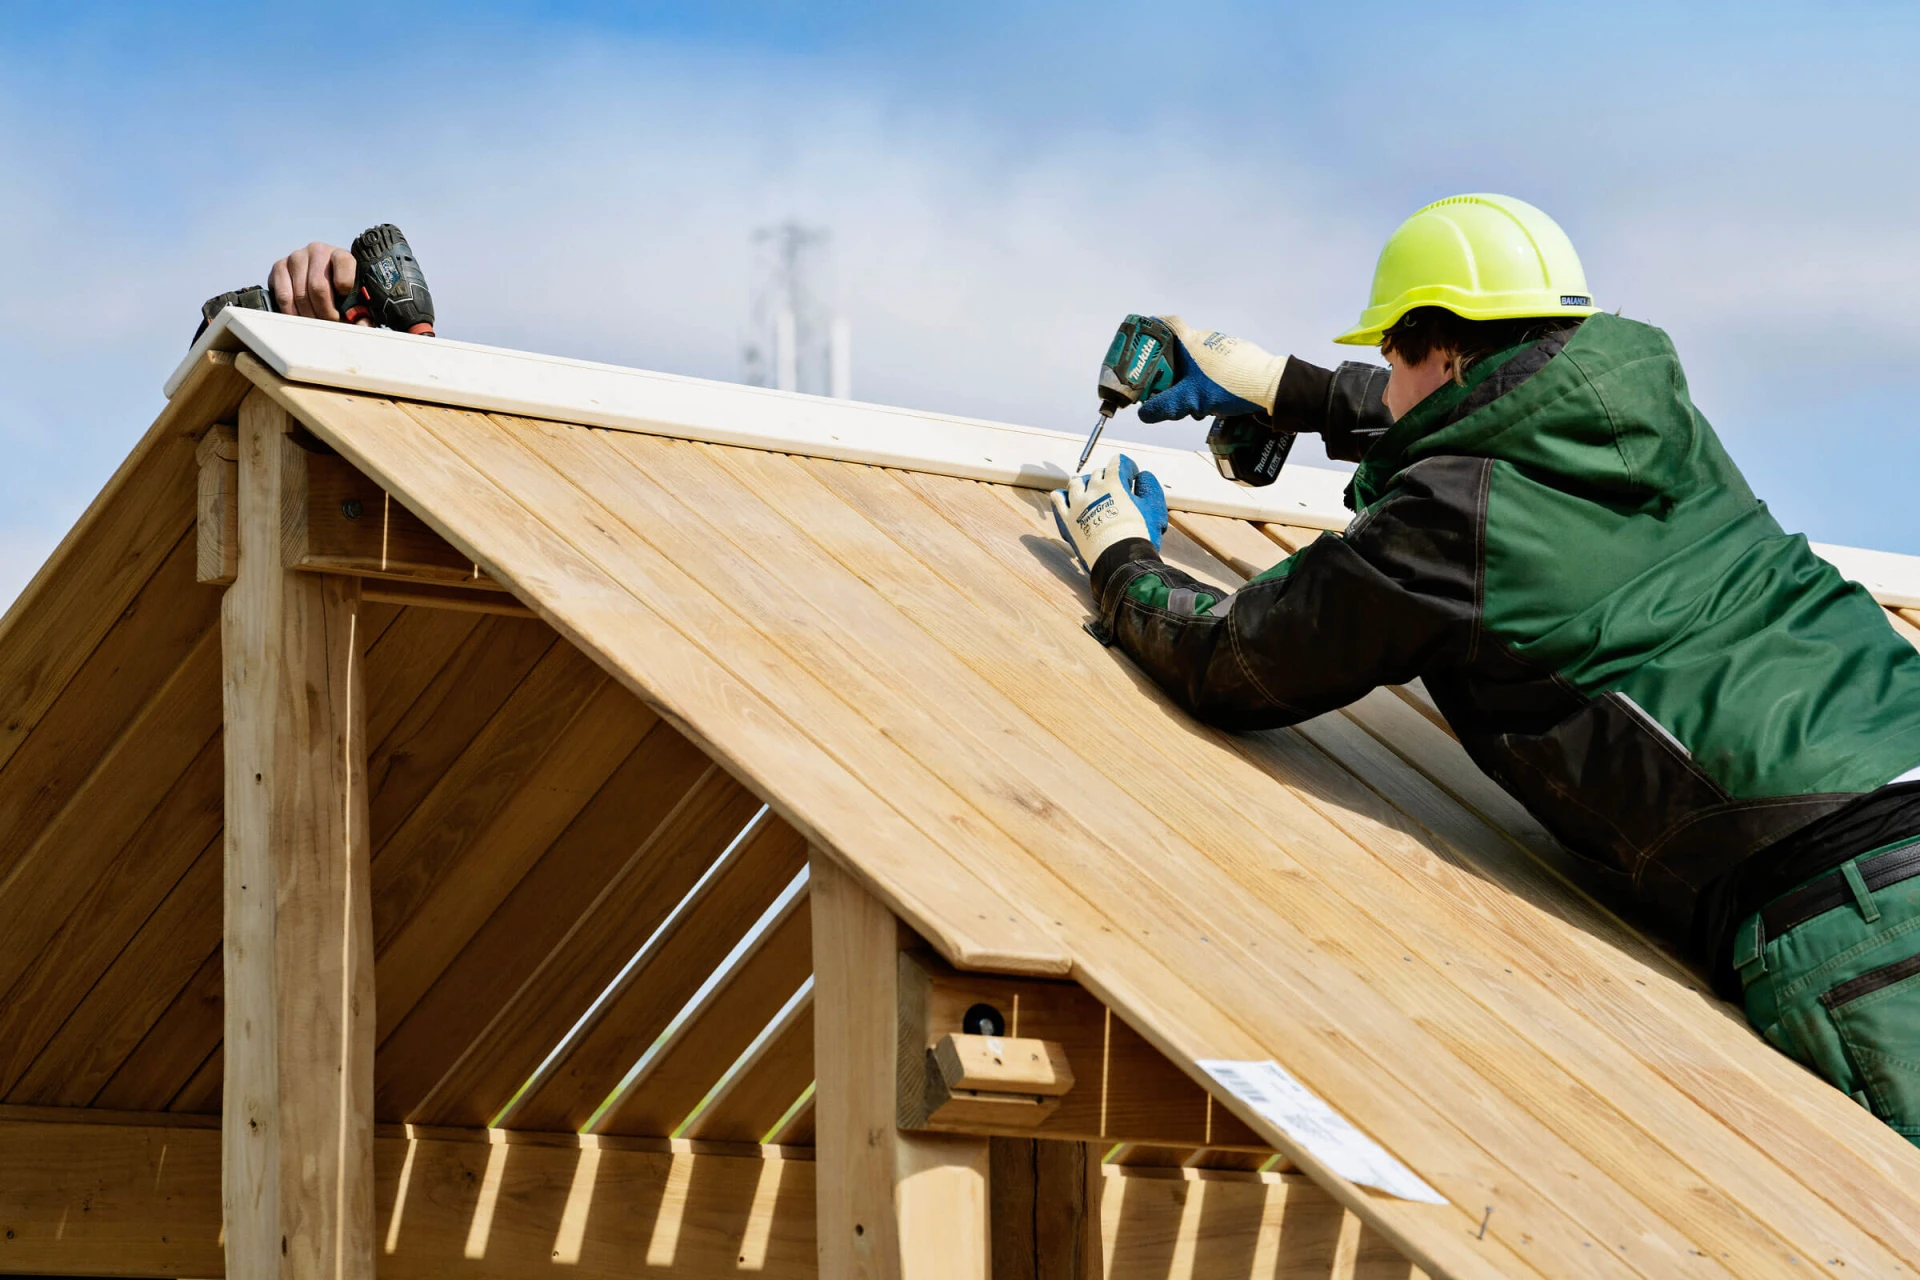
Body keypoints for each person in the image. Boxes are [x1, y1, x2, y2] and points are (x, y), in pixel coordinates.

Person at [1050, 192, 1920, 1146]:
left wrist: (1119, 557)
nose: (1384, 374)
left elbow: (1235, 660)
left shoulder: (1445, 526)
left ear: (1447, 348)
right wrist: (1278, 386)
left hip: (1859, 914)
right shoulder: (1656, 424)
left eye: (1391, 351)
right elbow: (1511, 426)